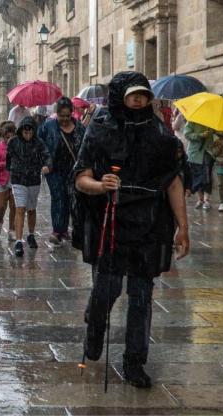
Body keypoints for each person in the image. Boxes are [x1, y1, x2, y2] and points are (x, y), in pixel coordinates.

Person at [73, 71, 189, 389]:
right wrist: (99, 184)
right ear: (120, 96)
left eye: (143, 95)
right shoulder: (99, 127)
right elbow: (80, 176)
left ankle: (135, 362)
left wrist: (183, 226)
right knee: (106, 291)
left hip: (149, 225)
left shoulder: (160, 133)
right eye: (132, 94)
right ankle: (95, 330)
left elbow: (173, 181)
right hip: (109, 223)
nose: (138, 100)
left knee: (141, 297)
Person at [38, 97, 84, 246]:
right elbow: (39, 145)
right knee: (59, 197)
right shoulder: (48, 127)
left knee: (72, 198)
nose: (64, 119)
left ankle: (67, 230)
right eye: (61, 116)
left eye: (67, 116)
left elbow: (86, 148)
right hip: (54, 169)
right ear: (56, 113)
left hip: (74, 170)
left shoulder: (80, 128)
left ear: (72, 113)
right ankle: (57, 231)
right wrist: (43, 163)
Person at [5, 116, 50, 257]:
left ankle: (30, 234)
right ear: (21, 131)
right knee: (20, 208)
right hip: (18, 180)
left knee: (31, 209)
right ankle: (19, 241)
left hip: (33, 180)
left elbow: (46, 155)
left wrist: (47, 165)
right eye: (25, 132)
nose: (28, 135)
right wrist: (14, 169)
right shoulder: (14, 142)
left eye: (30, 133)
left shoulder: (39, 143)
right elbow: (8, 158)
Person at [184, 120, 215, 209]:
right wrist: (200, 135)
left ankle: (206, 200)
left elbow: (214, 137)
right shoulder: (192, 121)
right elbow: (187, 134)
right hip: (195, 153)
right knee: (197, 176)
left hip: (208, 153)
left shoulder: (211, 122)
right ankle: (200, 199)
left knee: (207, 176)